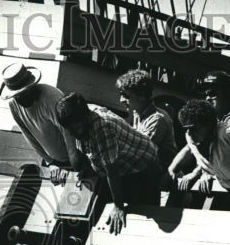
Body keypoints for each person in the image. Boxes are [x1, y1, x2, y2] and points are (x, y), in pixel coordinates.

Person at [55, 92, 160, 235]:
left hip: (143, 168)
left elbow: (112, 171)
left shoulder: (103, 127)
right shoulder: (78, 115)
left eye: (75, 129)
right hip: (123, 168)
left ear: (85, 119)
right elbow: (89, 149)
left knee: (137, 226)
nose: (73, 134)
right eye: (69, 130)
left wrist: (118, 206)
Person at [0, 62, 87, 182]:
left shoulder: (51, 98)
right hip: (57, 162)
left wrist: (73, 164)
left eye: (22, 93)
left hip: (78, 156)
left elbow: (69, 131)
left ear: (31, 85)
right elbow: (28, 134)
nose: (19, 98)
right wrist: (50, 162)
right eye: (16, 95)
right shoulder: (14, 105)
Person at [115, 69, 178, 173]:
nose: (121, 100)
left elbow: (140, 153)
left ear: (142, 95)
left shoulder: (157, 119)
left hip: (161, 174)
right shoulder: (137, 112)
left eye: (126, 95)